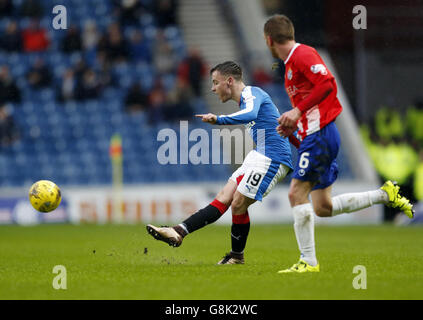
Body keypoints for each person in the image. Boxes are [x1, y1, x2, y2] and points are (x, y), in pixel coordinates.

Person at [263, 14, 414, 273]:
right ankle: (384, 194)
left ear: (269, 40)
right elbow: (310, 109)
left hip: (321, 134)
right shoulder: (290, 67)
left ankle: (308, 262)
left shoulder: (302, 54)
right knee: (323, 207)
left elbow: (327, 84)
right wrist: (292, 133)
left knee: (296, 193)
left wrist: (297, 112)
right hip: (316, 136)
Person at [146, 61, 293, 264]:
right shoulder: (246, 100)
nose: (213, 88)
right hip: (259, 155)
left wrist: (219, 120)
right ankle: (178, 231)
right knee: (224, 197)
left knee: (238, 202)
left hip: (273, 157)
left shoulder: (252, 93)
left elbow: (250, 114)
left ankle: (236, 257)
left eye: (215, 82)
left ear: (229, 81)